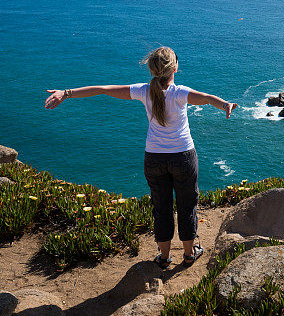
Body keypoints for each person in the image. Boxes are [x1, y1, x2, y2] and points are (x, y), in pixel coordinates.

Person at [44, 46, 238, 269]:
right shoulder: (179, 92)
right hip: (183, 157)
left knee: (161, 206)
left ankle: (164, 257)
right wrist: (224, 104)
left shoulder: (144, 91)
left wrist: (66, 93)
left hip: (154, 158)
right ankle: (188, 254)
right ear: (175, 68)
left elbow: (103, 89)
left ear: (152, 69)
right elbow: (206, 98)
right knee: (187, 205)